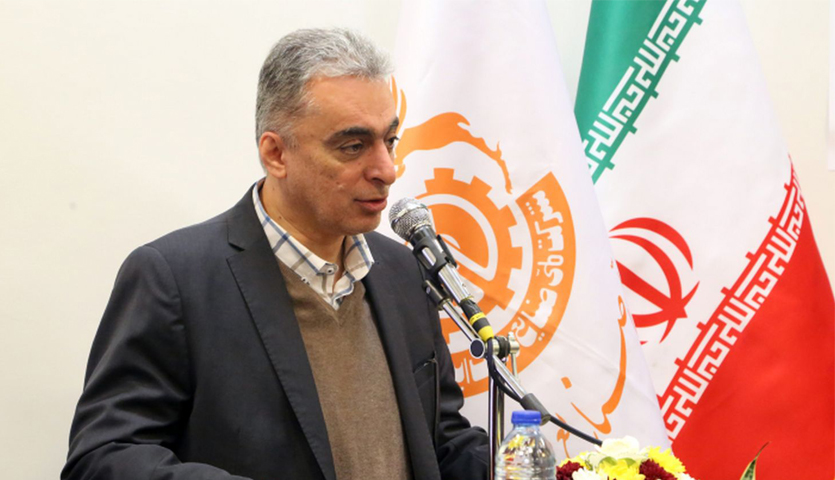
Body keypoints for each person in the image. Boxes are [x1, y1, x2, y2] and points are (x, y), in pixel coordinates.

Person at [61, 28, 489, 480]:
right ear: (276, 153)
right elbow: (103, 457)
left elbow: (442, 442)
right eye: (353, 146)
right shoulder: (174, 279)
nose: (387, 169)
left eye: (391, 140)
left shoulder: (403, 271)